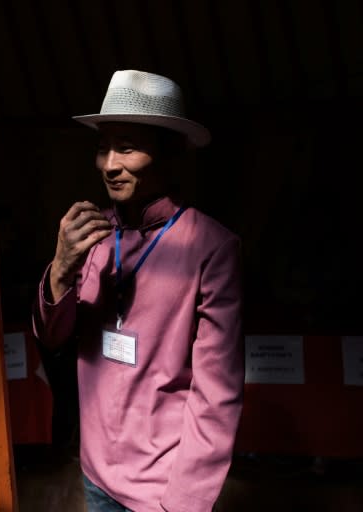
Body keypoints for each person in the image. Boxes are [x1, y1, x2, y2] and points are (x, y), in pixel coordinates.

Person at [32, 70, 244, 512]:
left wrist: (183, 502)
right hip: (95, 473)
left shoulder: (210, 247)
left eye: (126, 147)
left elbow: (217, 393)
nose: (109, 164)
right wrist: (61, 270)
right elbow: (53, 339)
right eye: (102, 147)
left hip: (162, 487)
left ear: (167, 153)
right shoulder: (92, 233)